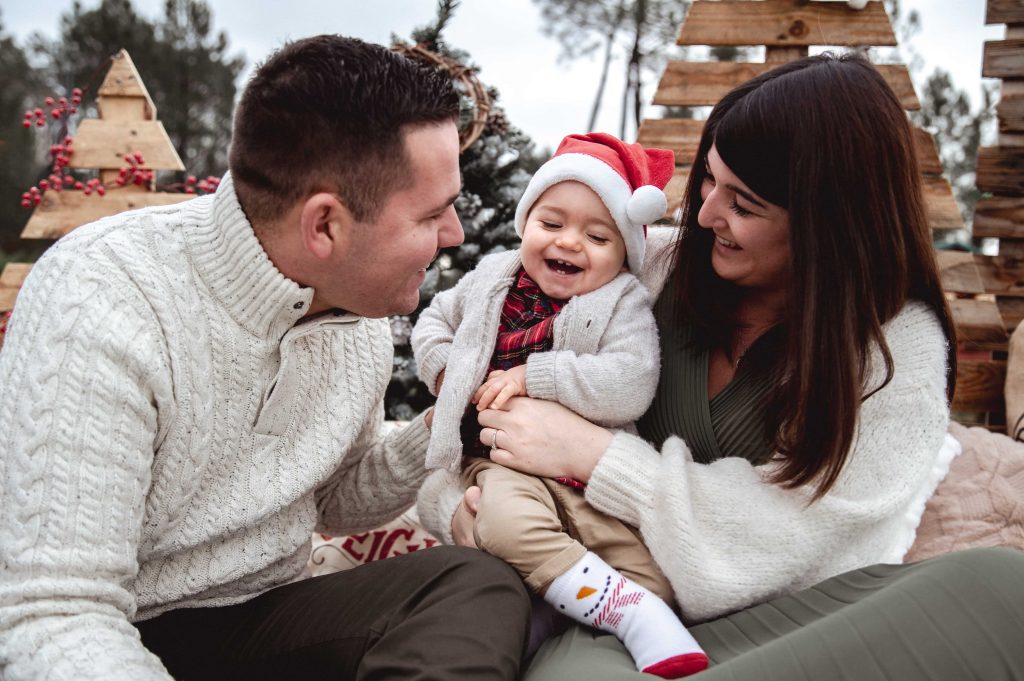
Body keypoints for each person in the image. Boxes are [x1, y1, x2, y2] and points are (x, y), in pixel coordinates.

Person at [422, 52, 1024, 679]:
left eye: (745, 203)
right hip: (619, 603)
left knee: (1002, 586)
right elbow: (460, 414)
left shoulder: (896, 345)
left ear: (829, 225)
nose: (706, 214)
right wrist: (463, 511)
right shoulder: (644, 271)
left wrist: (596, 457)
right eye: (710, 180)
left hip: (796, 620)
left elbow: (806, 539)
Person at [0, 35, 532, 681]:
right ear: (325, 226)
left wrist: (451, 414)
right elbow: (55, 612)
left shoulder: (353, 312)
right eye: (432, 212)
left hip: (265, 621)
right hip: (113, 630)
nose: (455, 234)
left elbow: (337, 497)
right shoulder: (104, 296)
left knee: (472, 583)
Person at [413, 133, 708, 678]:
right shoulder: (490, 279)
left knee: (653, 576)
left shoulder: (621, 301)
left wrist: (536, 376)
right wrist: (443, 366)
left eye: (597, 235)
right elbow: (433, 319)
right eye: (551, 224)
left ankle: (584, 610)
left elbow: (631, 381)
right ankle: (624, 613)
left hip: (586, 478)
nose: (569, 243)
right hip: (502, 460)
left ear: (624, 252)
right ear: (526, 224)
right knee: (504, 528)